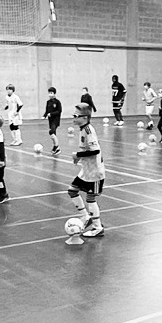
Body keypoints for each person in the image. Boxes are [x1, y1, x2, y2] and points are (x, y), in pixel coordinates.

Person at [68, 102, 105, 236]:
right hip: (86, 170)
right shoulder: (82, 129)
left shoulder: (89, 131)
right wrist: (79, 158)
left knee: (90, 198)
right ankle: (85, 216)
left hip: (94, 172)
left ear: (84, 117)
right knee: (72, 191)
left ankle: (97, 228)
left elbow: (95, 151)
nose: (73, 118)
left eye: (76, 115)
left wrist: (77, 155)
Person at [44, 86, 63, 155]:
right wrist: (44, 115)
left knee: (51, 131)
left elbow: (59, 111)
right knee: (53, 134)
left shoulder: (57, 102)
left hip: (56, 120)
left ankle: (57, 147)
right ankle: (55, 147)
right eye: (49, 93)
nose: (50, 94)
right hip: (50, 120)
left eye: (51, 93)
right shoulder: (48, 102)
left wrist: (51, 114)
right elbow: (47, 111)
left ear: (54, 94)